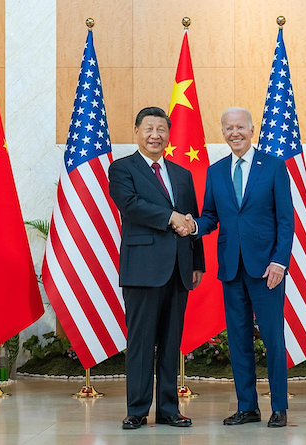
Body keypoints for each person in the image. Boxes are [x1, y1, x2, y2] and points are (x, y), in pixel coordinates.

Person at [185, 107, 294, 428]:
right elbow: (210, 217)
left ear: (252, 130)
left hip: (267, 270)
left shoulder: (274, 167)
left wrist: (280, 261)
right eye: (228, 127)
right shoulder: (216, 171)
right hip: (231, 269)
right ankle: (248, 407)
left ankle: (279, 407)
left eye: (240, 127)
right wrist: (192, 226)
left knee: (273, 339)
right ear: (223, 131)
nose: (235, 133)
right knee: (239, 340)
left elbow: (286, 220)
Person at [108, 107, 204, 429]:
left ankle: (168, 409)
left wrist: (197, 263)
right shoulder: (122, 169)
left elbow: (191, 220)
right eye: (148, 128)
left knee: (170, 342)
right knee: (141, 342)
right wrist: (169, 217)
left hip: (179, 269)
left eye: (161, 129)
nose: (155, 135)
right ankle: (136, 410)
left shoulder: (182, 174)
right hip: (142, 269)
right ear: (136, 131)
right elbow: (130, 205)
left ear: (168, 134)